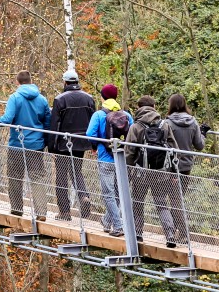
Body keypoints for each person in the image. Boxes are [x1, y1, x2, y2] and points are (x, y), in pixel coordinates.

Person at [124, 96, 188, 248]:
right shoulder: (164, 125)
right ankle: (170, 234)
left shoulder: (136, 127)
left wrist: (128, 172)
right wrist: (173, 172)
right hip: (162, 173)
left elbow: (129, 152)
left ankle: (138, 233)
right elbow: (174, 151)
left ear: (138, 107)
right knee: (161, 204)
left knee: (138, 202)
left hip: (141, 173)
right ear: (154, 106)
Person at [0, 71, 51, 220]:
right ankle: (41, 212)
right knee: (37, 178)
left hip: (17, 144)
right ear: (30, 81)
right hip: (36, 145)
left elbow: (7, 119)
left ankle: (16, 208)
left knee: (15, 177)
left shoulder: (15, 98)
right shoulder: (42, 99)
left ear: (17, 82)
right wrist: (45, 141)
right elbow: (47, 122)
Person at [46, 68, 96, 221]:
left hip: (63, 143)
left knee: (61, 176)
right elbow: (93, 122)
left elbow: (54, 125)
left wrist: (51, 146)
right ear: (77, 82)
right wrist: (93, 144)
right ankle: (83, 197)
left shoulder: (60, 99)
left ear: (65, 82)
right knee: (76, 171)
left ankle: (65, 212)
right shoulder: (89, 98)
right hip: (82, 141)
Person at [85, 84, 133, 236]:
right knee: (119, 193)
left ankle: (118, 226)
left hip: (105, 158)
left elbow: (90, 134)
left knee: (108, 194)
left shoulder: (99, 115)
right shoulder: (126, 115)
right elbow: (132, 135)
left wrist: (99, 144)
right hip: (122, 159)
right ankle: (106, 221)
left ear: (102, 97)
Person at [161, 93, 208, 192]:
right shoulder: (193, 122)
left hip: (169, 165)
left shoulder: (167, 123)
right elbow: (199, 145)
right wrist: (203, 133)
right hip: (186, 164)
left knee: (166, 195)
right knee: (180, 197)